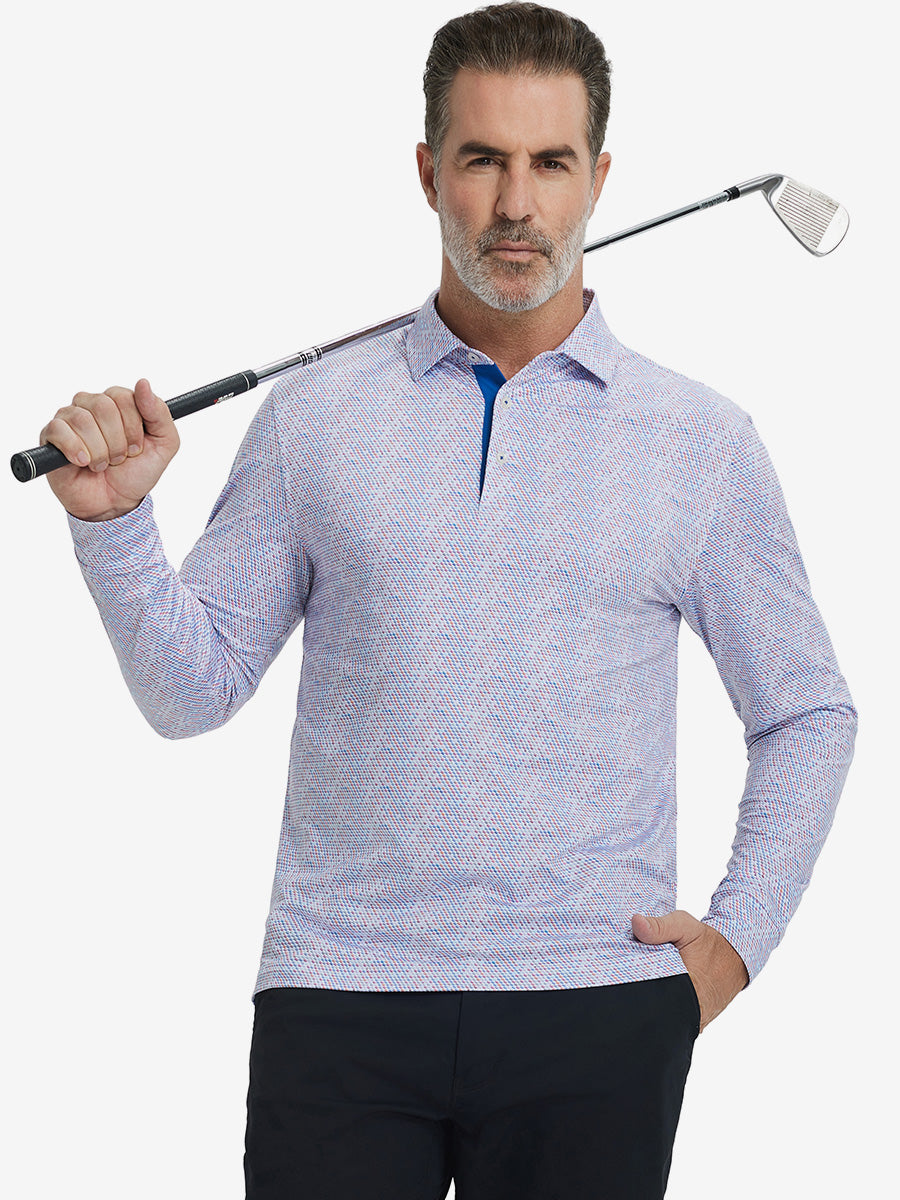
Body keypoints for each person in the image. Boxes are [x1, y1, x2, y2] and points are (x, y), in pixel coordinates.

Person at [37, 3, 857, 1197]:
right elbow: (191, 692)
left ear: (599, 180)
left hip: (595, 1007)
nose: (516, 204)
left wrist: (734, 946)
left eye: (550, 163)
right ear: (429, 174)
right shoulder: (314, 419)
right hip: (341, 1000)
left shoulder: (701, 443)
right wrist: (115, 526)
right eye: (483, 161)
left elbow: (807, 712)